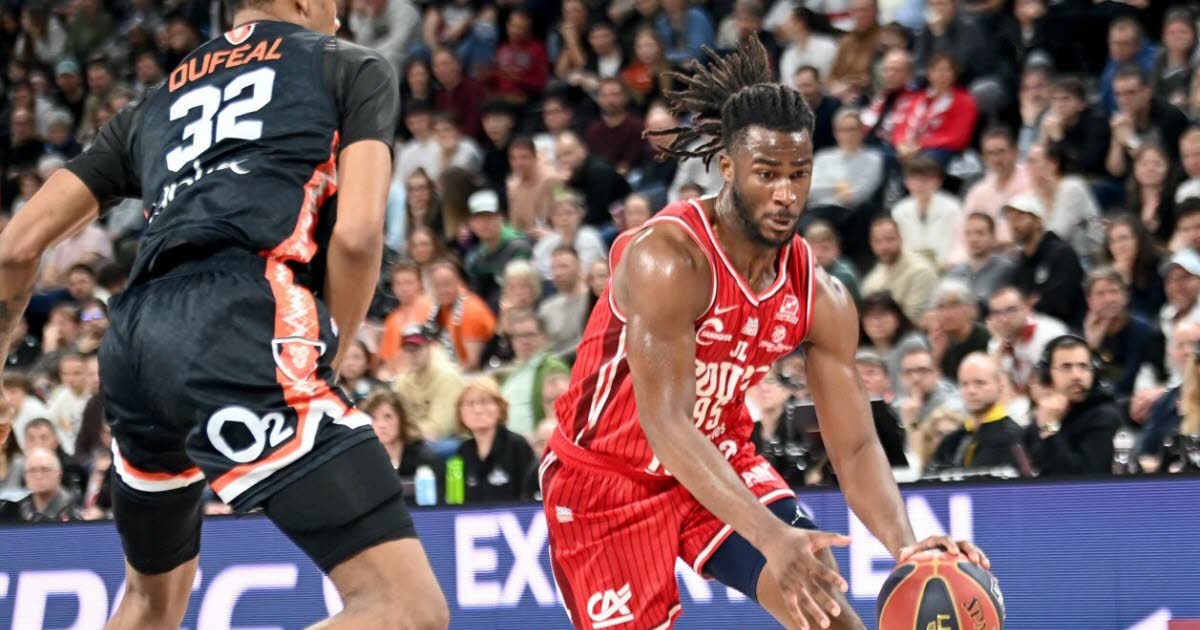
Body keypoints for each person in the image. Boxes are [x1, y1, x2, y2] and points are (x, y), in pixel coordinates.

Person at [0, 5, 448, 630]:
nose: (340, 16)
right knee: (406, 608)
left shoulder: (154, 102)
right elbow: (357, 237)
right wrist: (328, 355)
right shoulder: (347, 66)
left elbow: (15, 249)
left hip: (133, 341)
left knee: (149, 604)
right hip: (244, 317)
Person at [543, 38, 986, 630]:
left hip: (718, 454)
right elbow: (666, 423)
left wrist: (907, 547)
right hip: (606, 479)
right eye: (767, 174)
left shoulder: (820, 294)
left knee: (825, 608)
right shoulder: (670, 260)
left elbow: (855, 446)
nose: (785, 193)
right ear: (728, 168)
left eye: (799, 174)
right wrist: (770, 536)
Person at [1024, 335, 1121, 476]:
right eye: (1066, 367)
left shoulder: (1104, 416)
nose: (1077, 375)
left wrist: (1049, 429)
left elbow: (1082, 481)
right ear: (1047, 375)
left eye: (1083, 366)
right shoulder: (1042, 417)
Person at [928, 353, 1024, 473]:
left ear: (1000, 384)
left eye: (980, 383)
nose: (971, 391)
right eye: (964, 384)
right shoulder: (951, 441)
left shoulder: (1014, 438)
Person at [455, 376, 535, 503]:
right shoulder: (463, 452)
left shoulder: (517, 446)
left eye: (484, 402)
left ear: (500, 407)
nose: (477, 410)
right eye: (469, 404)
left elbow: (529, 496)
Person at [362, 391, 444, 506]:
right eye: (374, 418)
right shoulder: (365, 458)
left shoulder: (424, 457)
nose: (381, 425)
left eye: (388, 417)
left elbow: (437, 505)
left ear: (402, 419)